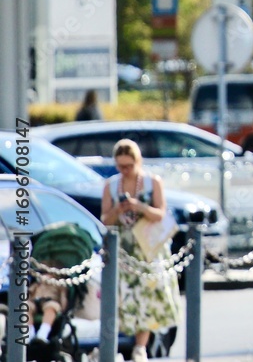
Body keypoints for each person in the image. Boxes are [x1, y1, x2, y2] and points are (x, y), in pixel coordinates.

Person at [100, 139, 181, 362]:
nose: (124, 171)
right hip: (123, 249)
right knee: (123, 295)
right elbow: (105, 219)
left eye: (128, 166)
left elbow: (160, 214)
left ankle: (140, 346)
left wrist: (139, 206)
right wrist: (119, 209)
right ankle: (120, 343)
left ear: (138, 162)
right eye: (120, 166)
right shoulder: (111, 185)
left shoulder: (151, 182)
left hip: (148, 247)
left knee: (146, 295)